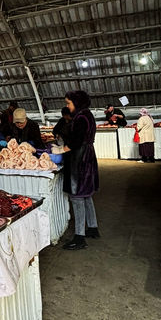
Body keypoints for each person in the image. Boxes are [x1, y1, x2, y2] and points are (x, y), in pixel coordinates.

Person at [61, 90, 99, 250]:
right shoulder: (87, 114)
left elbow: (76, 140)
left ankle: (79, 237)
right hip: (87, 157)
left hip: (80, 159)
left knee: (77, 197)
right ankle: (92, 227)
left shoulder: (81, 117)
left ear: (77, 102)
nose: (67, 106)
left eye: (68, 103)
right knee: (87, 195)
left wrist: (62, 149)